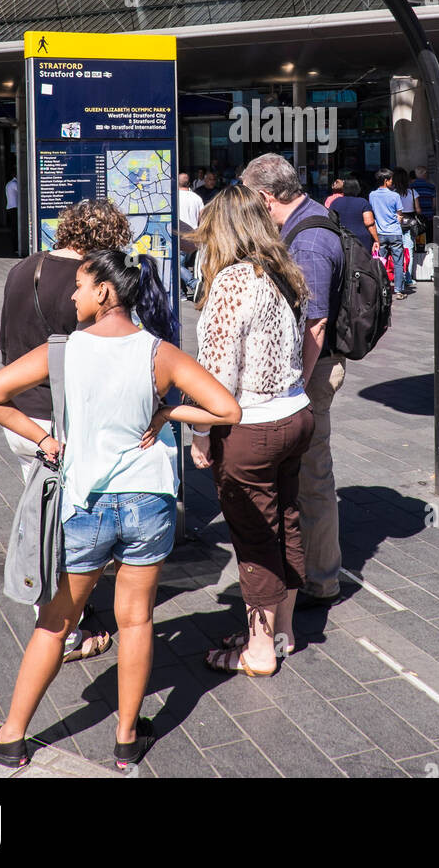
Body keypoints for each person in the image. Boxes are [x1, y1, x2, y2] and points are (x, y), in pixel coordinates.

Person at [0, 250, 241, 770]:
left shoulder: (62, 352)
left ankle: (11, 737)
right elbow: (229, 409)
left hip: (85, 503)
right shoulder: (160, 352)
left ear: (105, 294)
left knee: (55, 623)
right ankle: (127, 738)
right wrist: (167, 411)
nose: (72, 295)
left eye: (81, 286)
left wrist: (44, 439)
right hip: (149, 501)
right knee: (135, 621)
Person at [0, 198, 133, 660]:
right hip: (58, 420)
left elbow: (5, 342)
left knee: (41, 512)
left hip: (18, 413)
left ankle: (54, 605)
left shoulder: (23, 268)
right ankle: (61, 626)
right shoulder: (89, 286)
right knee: (62, 524)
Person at [188, 185, 314, 675]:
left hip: (251, 428)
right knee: (285, 520)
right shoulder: (286, 272)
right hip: (294, 414)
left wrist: (201, 433)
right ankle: (282, 632)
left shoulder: (235, 281)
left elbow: (216, 374)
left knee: (253, 535)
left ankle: (260, 652)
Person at [241, 154, 345, 608]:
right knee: (302, 474)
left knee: (312, 477)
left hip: (311, 370)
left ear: (266, 198)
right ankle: (306, 570)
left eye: (251, 200)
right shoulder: (311, 219)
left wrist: (294, 388)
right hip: (308, 368)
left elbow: (315, 325)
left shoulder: (309, 240)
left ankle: (322, 579)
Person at [369, 168, 407, 301]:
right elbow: (400, 214)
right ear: (386, 181)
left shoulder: (372, 195)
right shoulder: (395, 196)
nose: (392, 182)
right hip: (395, 232)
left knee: (380, 262)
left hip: (379, 233)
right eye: (391, 180)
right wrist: (398, 218)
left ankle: (381, 288)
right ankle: (398, 290)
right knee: (398, 262)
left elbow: (372, 212)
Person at [392, 167, 421, 291]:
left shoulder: (392, 193)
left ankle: (396, 275)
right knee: (409, 250)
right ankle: (408, 277)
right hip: (410, 223)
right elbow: (418, 210)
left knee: (396, 250)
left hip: (396, 223)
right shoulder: (413, 192)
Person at [177, 171, 204, 299]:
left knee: (178, 265)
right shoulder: (196, 197)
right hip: (194, 237)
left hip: (180, 236)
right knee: (183, 265)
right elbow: (202, 217)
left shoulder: (174, 197)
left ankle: (194, 284)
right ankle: (181, 293)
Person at [333, 178, 378, 254]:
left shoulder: (335, 202)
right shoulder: (363, 202)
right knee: (362, 263)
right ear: (357, 189)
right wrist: (376, 240)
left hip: (341, 238)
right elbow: (369, 222)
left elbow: (331, 219)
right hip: (361, 240)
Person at [5, 170, 19, 254]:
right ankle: (16, 247)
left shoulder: (9, 183)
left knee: (14, 228)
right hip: (14, 208)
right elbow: (22, 192)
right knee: (16, 228)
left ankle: (15, 247)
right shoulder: (15, 184)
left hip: (10, 207)